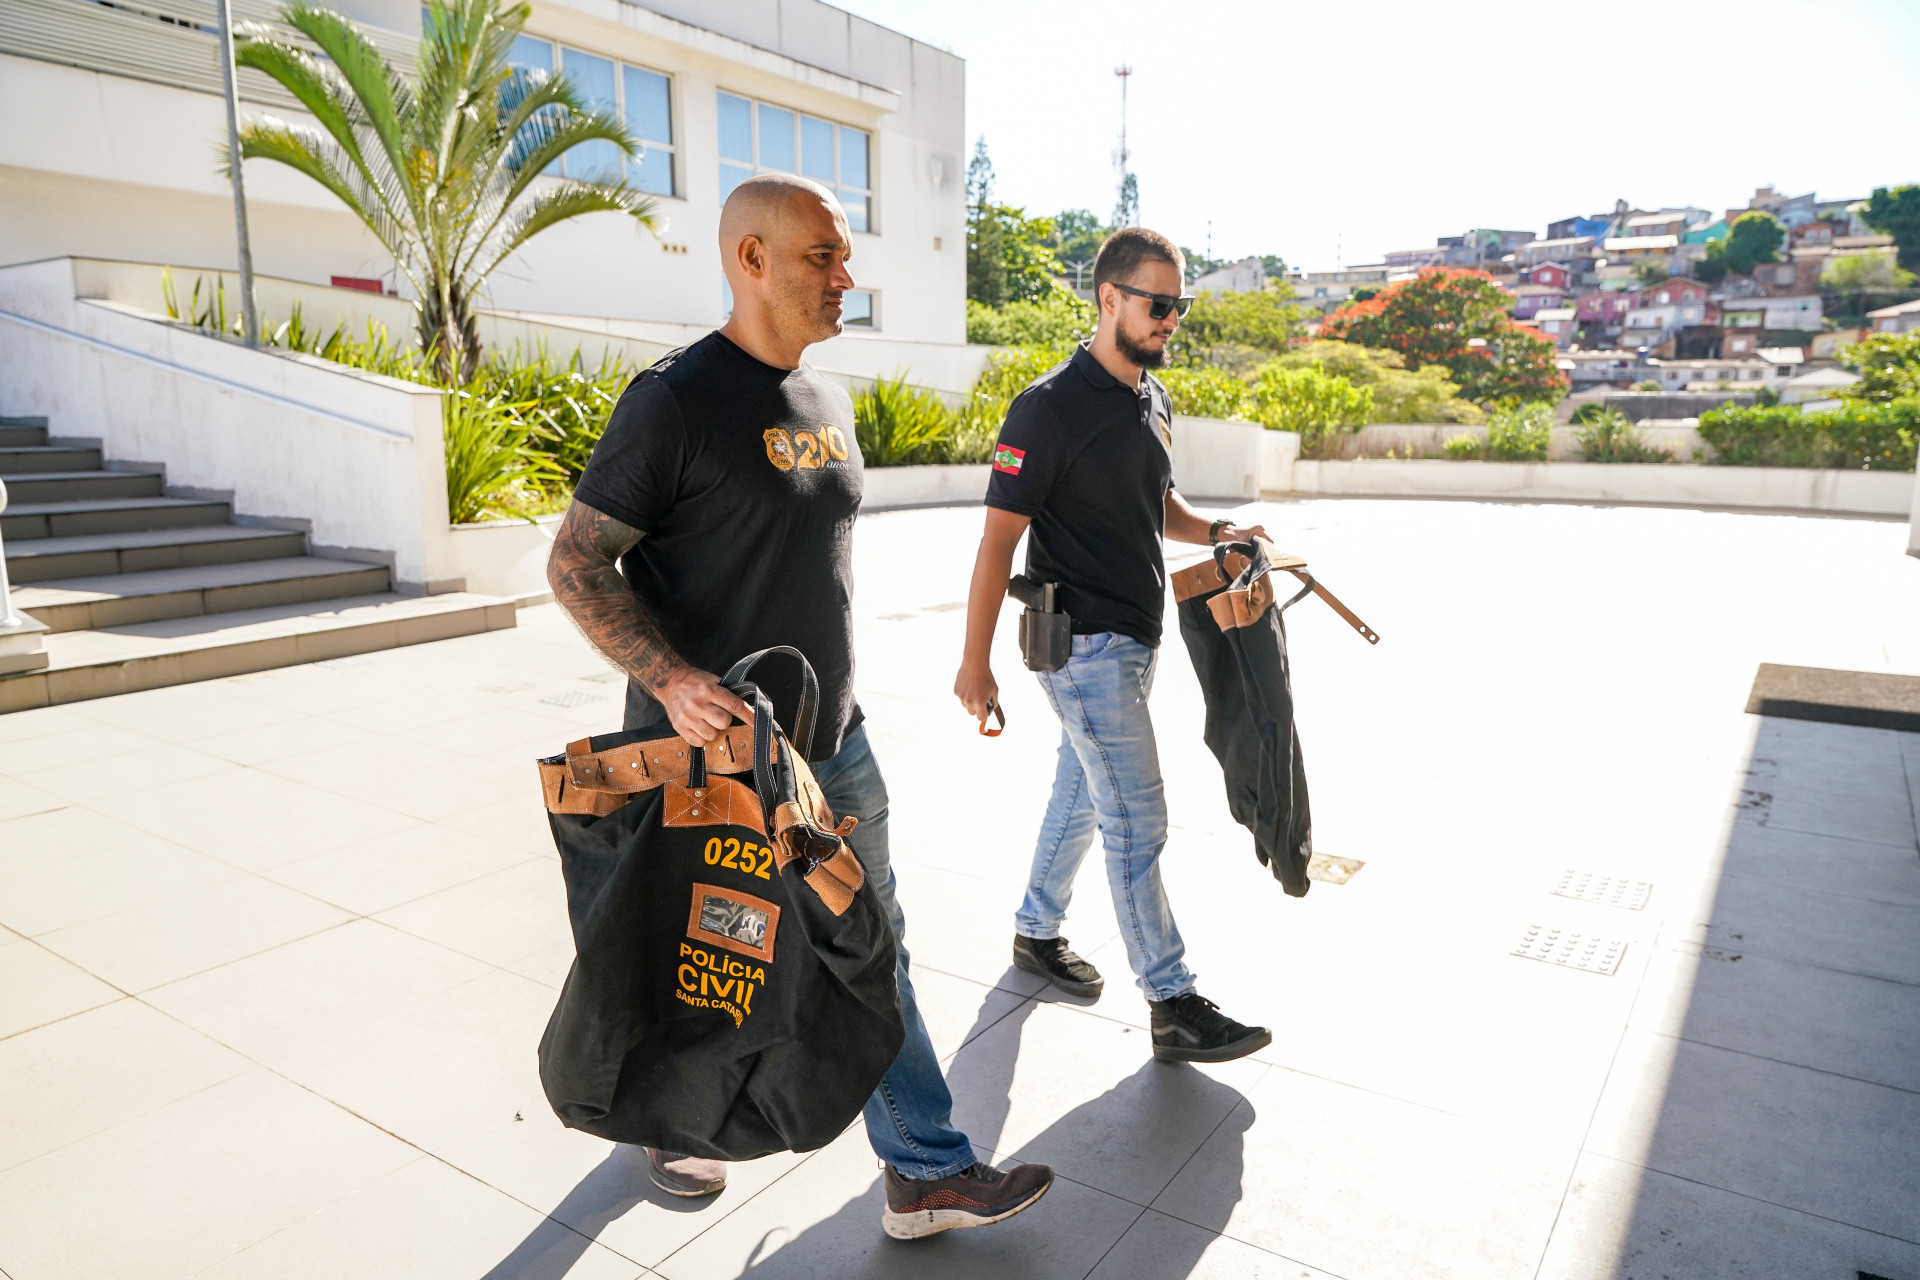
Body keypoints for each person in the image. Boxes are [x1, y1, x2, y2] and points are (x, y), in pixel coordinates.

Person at [547, 173, 1053, 1239]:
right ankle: (675, 1118)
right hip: (714, 765)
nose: (844, 277)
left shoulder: (828, 400)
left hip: (831, 746)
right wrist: (671, 679)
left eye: (844, 255)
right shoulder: (674, 401)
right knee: (708, 952)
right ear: (752, 259)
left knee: (869, 939)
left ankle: (923, 1169)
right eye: (823, 256)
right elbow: (577, 562)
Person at [953, 226, 1273, 1065]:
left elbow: (1157, 505)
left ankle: (1035, 932)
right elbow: (996, 543)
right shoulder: (1048, 407)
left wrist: (1222, 532)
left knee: (1081, 795)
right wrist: (974, 661)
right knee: (1138, 817)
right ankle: (1171, 1000)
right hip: (1083, 648)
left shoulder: (1151, 399)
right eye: (1158, 304)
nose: (1172, 319)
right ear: (1109, 298)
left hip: (1135, 644)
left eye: (1180, 305)